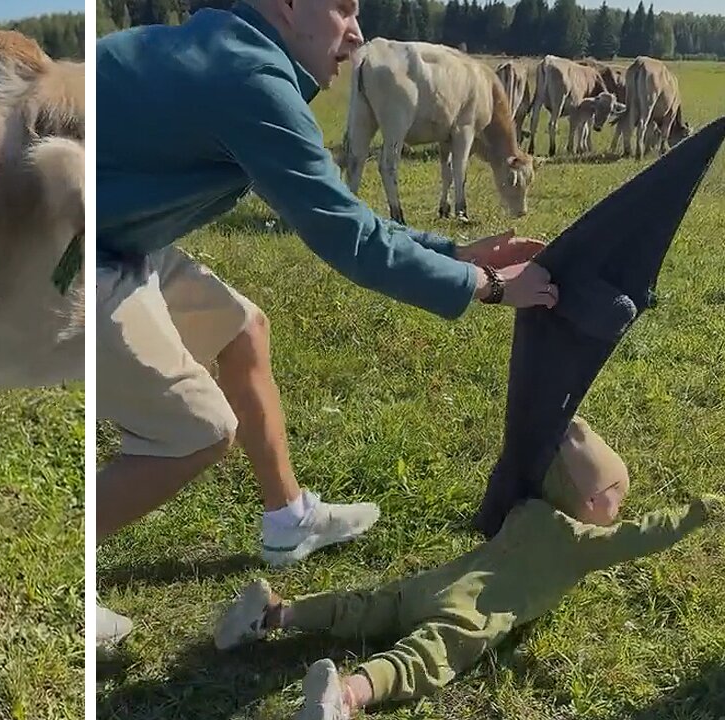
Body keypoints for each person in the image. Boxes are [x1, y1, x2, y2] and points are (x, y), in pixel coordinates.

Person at [94, 0, 560, 646]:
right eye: (342, 8)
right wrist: (487, 286)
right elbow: (350, 239)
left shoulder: (236, 52)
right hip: (62, 248)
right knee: (198, 431)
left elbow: (348, 215)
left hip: (117, 233)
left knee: (242, 332)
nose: (357, 33)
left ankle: (287, 518)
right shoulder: (248, 79)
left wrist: (455, 252)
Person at [212, 416, 721, 719]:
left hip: (434, 583)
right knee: (420, 658)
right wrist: (696, 512)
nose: (620, 511)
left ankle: (278, 613)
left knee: (366, 607)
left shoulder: (524, 509)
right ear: (591, 501)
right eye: (617, 499)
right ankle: (347, 695)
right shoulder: (580, 542)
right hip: (473, 612)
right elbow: (643, 536)